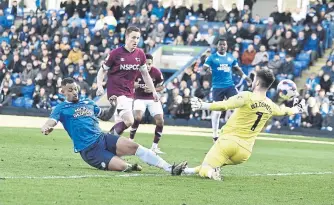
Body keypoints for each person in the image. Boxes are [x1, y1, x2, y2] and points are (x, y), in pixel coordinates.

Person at [41, 78, 187, 173]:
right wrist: (46, 127)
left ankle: (170, 168)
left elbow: (105, 116)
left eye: (75, 88)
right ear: (63, 92)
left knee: (135, 146)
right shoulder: (60, 108)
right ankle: (128, 166)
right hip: (89, 151)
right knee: (123, 167)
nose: (74, 92)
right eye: (70, 90)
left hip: (103, 138)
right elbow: (51, 121)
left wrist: (113, 106)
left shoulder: (88, 103)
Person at [183, 68, 305, 180]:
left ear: (257, 83)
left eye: (254, 79)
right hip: (244, 152)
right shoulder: (271, 105)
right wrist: (297, 109)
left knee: (206, 169)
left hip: (229, 142)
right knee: (214, 162)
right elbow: (285, 111)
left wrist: (203, 105)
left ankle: (212, 174)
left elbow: (225, 105)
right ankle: (187, 170)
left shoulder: (247, 96)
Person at [96, 26, 158, 136]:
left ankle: (108, 142)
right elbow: (102, 71)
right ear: (126, 37)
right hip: (116, 92)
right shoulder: (115, 53)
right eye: (133, 37)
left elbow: (145, 75)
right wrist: (100, 86)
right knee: (129, 120)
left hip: (129, 93)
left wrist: (154, 91)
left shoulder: (140, 54)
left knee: (120, 124)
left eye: (138, 38)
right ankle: (105, 138)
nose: (136, 41)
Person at [203, 38, 252, 142]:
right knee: (217, 112)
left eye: (224, 45)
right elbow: (203, 69)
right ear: (217, 46)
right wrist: (207, 71)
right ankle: (215, 134)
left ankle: (238, 131)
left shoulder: (230, 57)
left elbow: (237, 69)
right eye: (220, 45)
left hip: (230, 86)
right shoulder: (211, 58)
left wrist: (245, 77)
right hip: (217, 87)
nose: (222, 46)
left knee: (240, 105)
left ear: (226, 46)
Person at [130, 54, 165, 154]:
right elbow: (129, 83)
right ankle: (131, 140)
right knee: (137, 117)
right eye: (146, 64)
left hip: (152, 98)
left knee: (160, 121)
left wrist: (153, 89)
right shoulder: (136, 71)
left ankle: (154, 146)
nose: (148, 66)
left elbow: (162, 87)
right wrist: (134, 85)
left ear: (152, 63)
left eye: (149, 64)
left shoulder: (157, 72)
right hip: (139, 98)